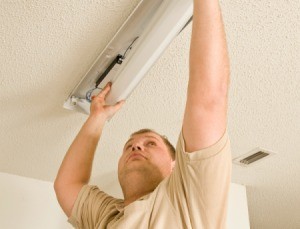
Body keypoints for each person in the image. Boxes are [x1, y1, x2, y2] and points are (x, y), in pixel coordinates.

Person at [54, 0, 232, 228]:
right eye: (129, 146)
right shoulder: (107, 217)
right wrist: (96, 118)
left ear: (175, 165)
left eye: (150, 144)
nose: (136, 147)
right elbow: (67, 185)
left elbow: (209, 100)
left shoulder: (189, 200)